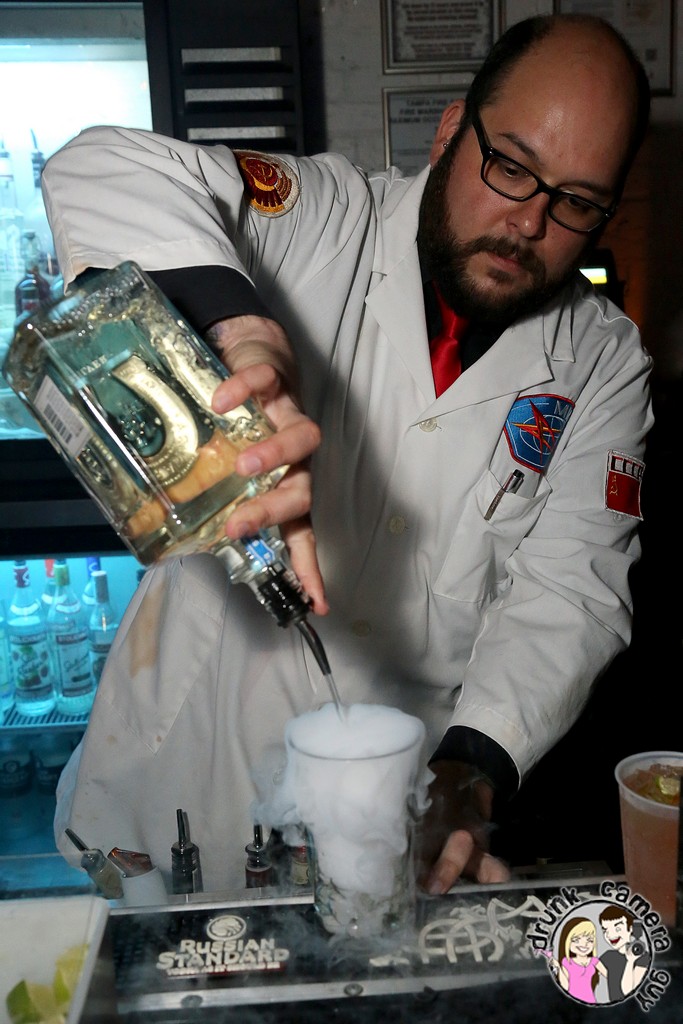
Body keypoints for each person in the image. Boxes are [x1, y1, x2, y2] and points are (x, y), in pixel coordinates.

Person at [48, 13, 652, 896]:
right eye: (510, 167)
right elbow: (100, 166)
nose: (527, 221)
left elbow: (570, 592)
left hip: (387, 807)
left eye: (576, 202)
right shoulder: (329, 218)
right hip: (180, 775)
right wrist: (246, 335)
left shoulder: (601, 362)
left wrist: (474, 765)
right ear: (452, 132)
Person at [549, 917, 607, 1004]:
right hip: (571, 1002)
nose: (584, 944)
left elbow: (610, 976)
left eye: (590, 940)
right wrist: (558, 967)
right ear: (567, 941)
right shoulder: (566, 962)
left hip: (590, 1001)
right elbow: (565, 986)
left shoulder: (594, 961)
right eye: (576, 940)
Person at [599, 906, 650, 1000]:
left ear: (630, 929)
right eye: (605, 930)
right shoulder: (608, 956)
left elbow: (628, 991)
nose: (610, 935)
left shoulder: (643, 957)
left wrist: (630, 961)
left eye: (617, 929)